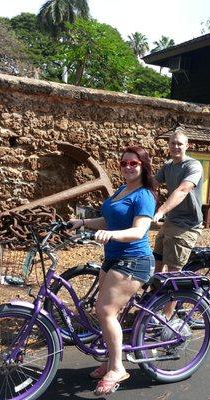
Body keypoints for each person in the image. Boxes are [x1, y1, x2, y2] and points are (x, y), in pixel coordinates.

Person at [68, 146, 157, 396]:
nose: (128, 167)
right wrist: (82, 223)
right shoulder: (121, 190)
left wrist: (111, 235)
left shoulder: (144, 195)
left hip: (134, 260)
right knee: (106, 311)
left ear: (143, 166)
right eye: (124, 163)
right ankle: (109, 359)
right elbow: (109, 221)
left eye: (133, 163)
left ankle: (117, 367)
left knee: (105, 310)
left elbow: (139, 231)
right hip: (113, 258)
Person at [152, 132, 203, 315]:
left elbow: (183, 190)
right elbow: (152, 185)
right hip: (171, 221)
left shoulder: (193, 166)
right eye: (172, 143)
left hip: (186, 224)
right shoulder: (167, 166)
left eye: (179, 144)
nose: (175, 147)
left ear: (187, 146)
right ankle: (153, 306)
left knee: (173, 272)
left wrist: (161, 211)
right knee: (157, 264)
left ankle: (166, 317)